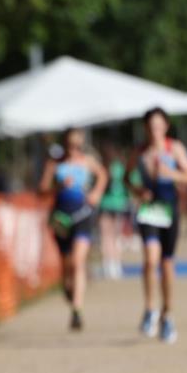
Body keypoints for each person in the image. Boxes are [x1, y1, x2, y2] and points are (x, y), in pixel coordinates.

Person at [128, 108, 187, 344]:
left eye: (159, 125)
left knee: (167, 262)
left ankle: (167, 315)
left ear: (166, 127)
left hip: (170, 210)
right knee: (150, 259)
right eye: (150, 126)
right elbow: (127, 177)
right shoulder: (139, 152)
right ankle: (150, 310)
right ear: (145, 128)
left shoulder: (174, 148)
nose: (154, 130)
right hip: (149, 210)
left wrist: (171, 173)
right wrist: (138, 190)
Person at [39, 128, 107, 329]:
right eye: (70, 144)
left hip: (83, 216)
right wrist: (58, 187)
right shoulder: (55, 164)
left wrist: (96, 193)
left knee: (78, 262)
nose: (73, 149)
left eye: (76, 144)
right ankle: (68, 286)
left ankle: (77, 310)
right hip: (61, 219)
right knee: (66, 263)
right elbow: (42, 190)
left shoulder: (87, 162)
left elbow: (103, 175)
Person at [97, 142, 131, 279]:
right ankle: (116, 264)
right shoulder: (120, 167)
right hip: (118, 204)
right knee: (116, 236)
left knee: (106, 236)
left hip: (106, 204)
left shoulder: (104, 167)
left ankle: (108, 264)